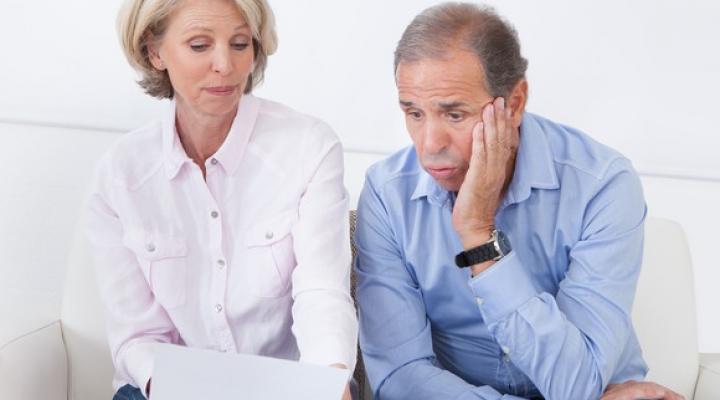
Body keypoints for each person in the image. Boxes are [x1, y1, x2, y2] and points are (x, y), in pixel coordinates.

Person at [354, 3, 683, 399]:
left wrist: (477, 235)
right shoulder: (387, 193)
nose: (429, 146)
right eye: (415, 113)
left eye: (454, 115)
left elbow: (576, 385)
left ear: (514, 104)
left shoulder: (602, 184)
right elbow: (401, 377)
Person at [85, 0, 356, 398]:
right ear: (154, 50)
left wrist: (328, 383)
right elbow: (137, 338)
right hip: (166, 390)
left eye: (240, 43)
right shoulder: (120, 175)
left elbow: (321, 292)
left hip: (280, 388)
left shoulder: (308, 147)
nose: (225, 65)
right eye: (199, 45)